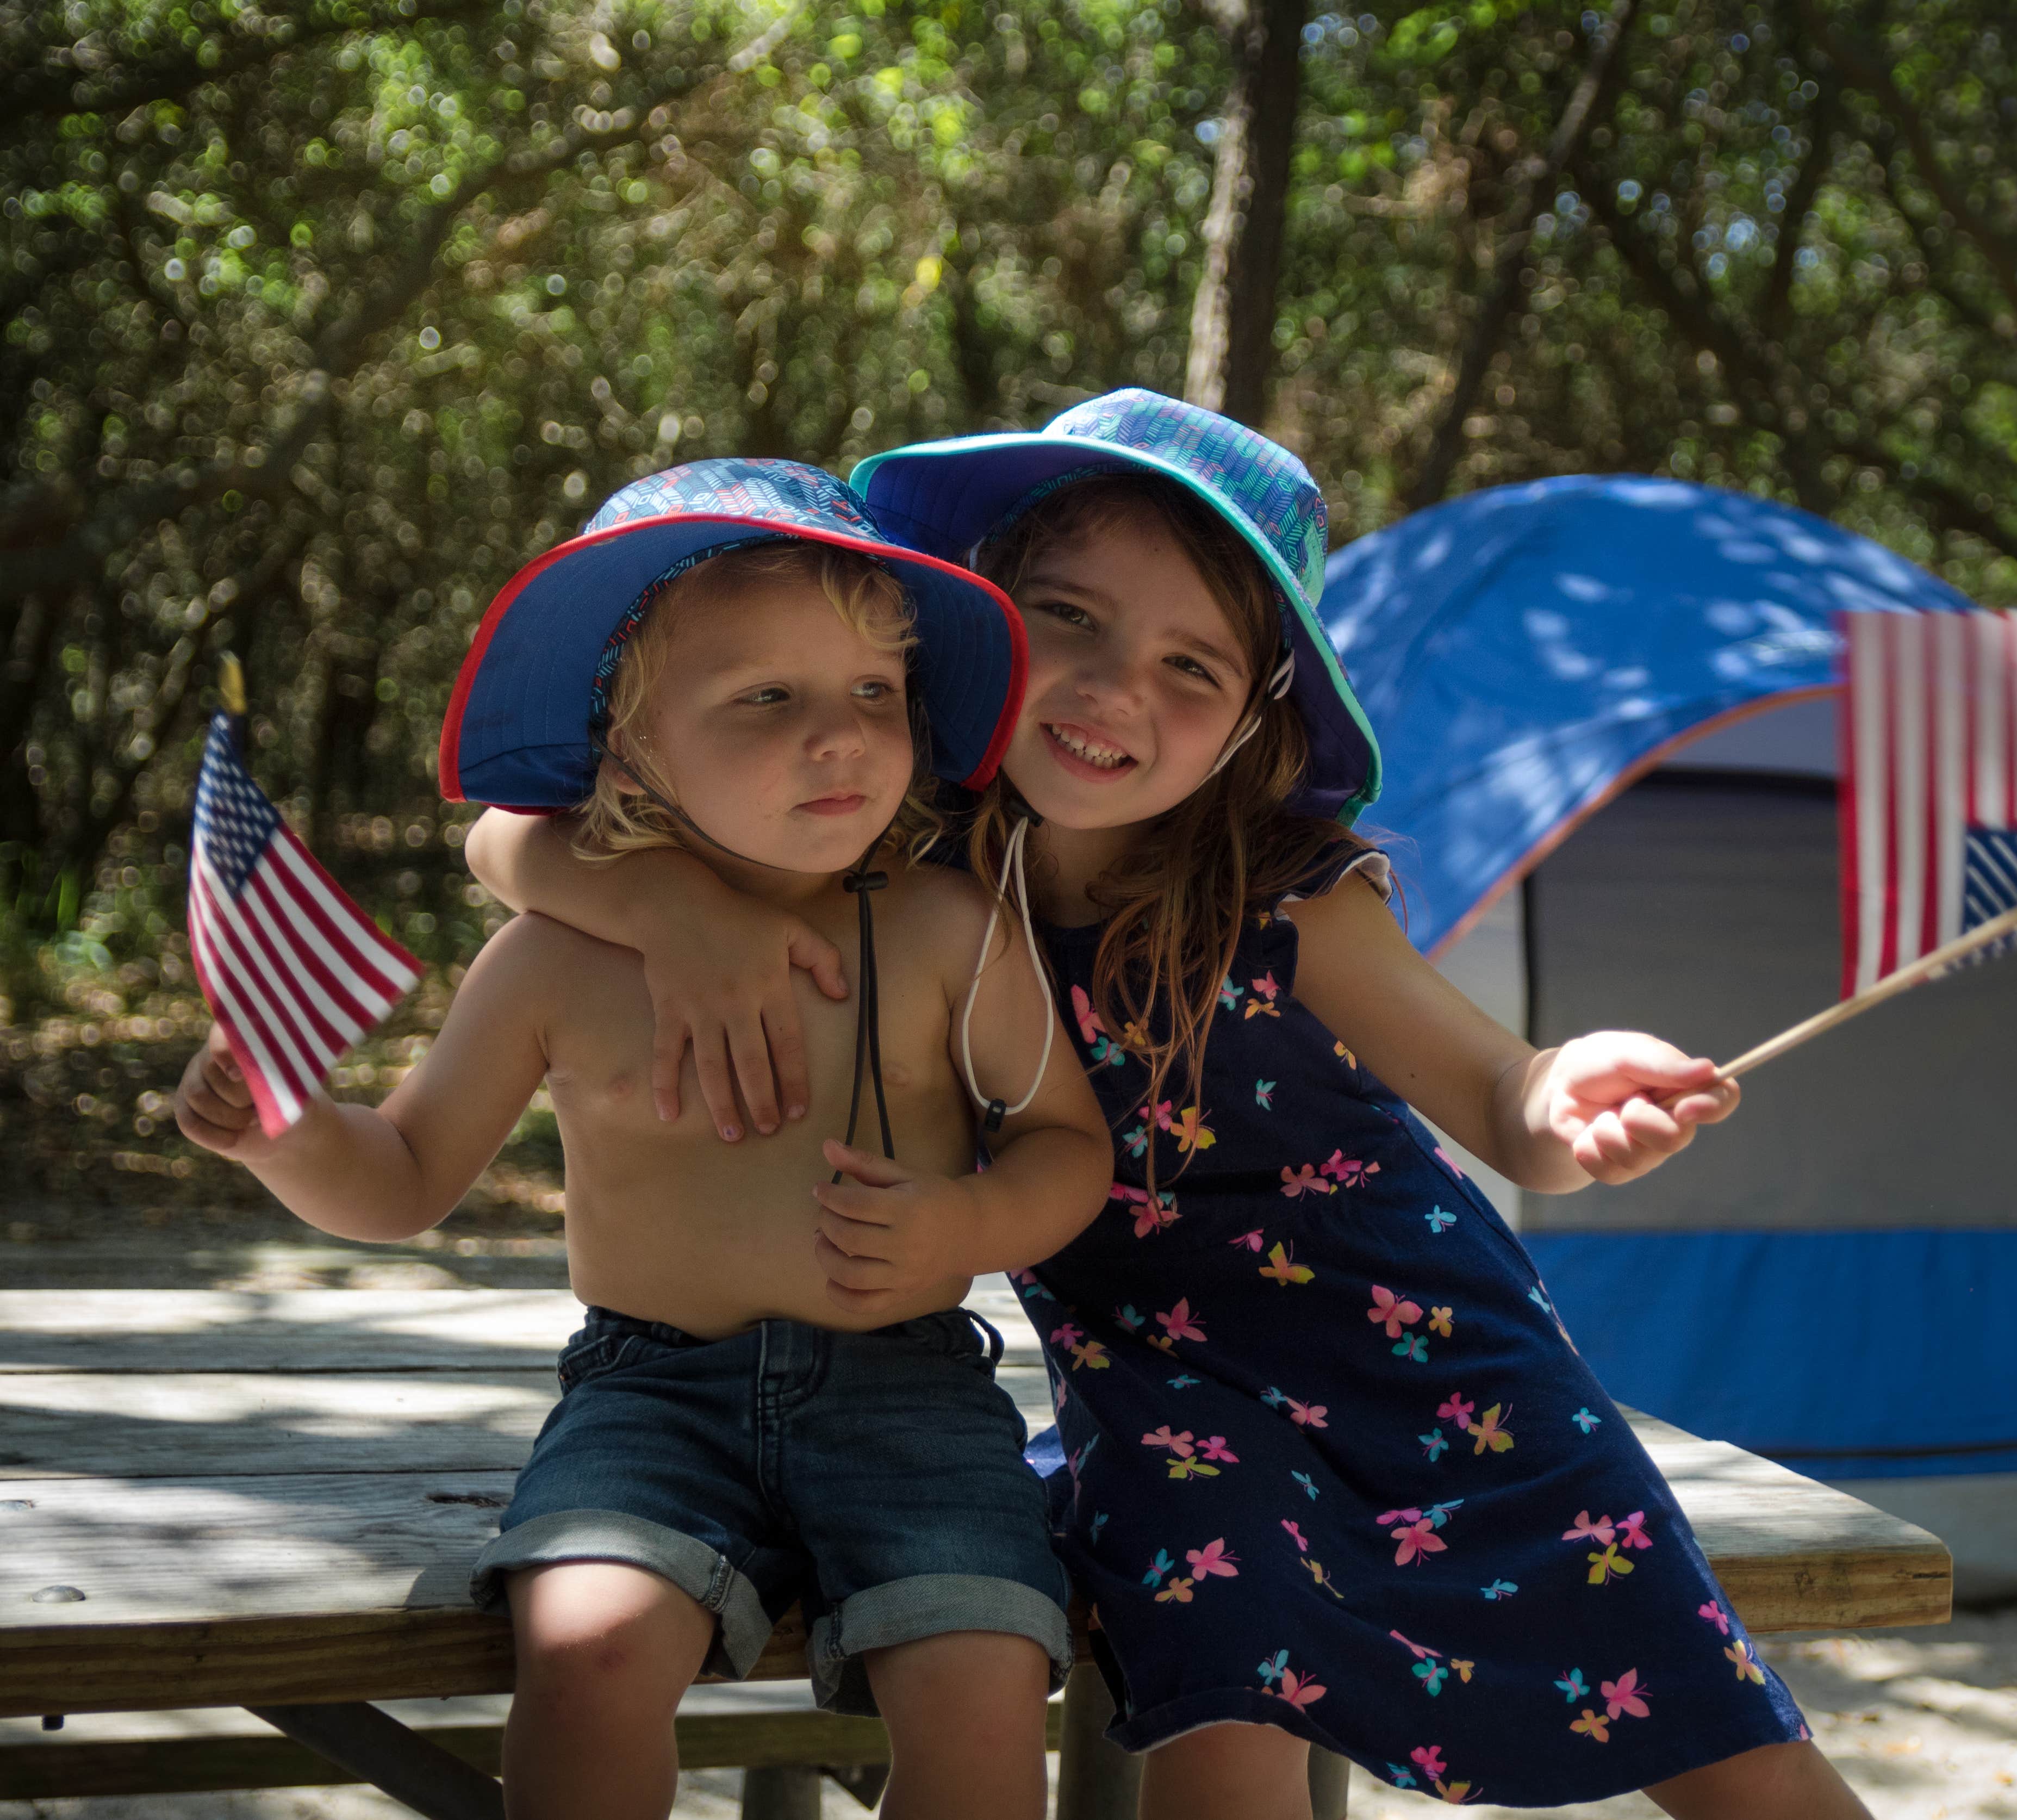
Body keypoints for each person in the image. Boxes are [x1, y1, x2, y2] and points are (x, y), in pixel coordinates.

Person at [464, 394, 1872, 1819]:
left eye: (1188, 663)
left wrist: (1566, 1093)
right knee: (1226, 1692)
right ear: (977, 622)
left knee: (1708, 1718)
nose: (1110, 687)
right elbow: (506, 835)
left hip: (1441, 1362)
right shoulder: (908, 849)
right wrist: (671, 908)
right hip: (1163, 1393)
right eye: (1066, 617)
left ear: (1258, 715)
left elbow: (1501, 1096)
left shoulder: (1282, 895)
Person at [176, 458, 1115, 1820]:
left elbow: (1064, 1144)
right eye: (766, 700)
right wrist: (284, 1132)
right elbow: (399, 1180)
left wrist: (967, 1225)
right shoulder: (549, 962)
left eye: (874, 694)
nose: (841, 737)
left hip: (908, 1389)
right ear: (630, 745)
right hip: (650, 1397)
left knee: (981, 1676)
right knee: (588, 1649)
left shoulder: (943, 931)